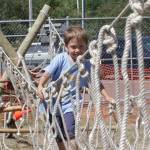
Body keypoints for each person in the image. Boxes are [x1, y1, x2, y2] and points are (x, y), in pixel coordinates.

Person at [37, 26, 115, 150]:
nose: (77, 50)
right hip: (51, 103)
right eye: (73, 47)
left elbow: (96, 83)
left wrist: (108, 97)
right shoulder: (61, 59)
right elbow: (47, 74)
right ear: (66, 46)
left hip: (71, 104)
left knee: (70, 132)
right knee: (58, 134)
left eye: (81, 47)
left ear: (86, 47)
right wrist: (40, 86)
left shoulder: (87, 65)